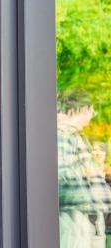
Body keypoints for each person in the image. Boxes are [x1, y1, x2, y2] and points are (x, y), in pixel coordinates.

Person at [57, 88, 111, 248]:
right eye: (91, 111)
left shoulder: (75, 136)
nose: (91, 117)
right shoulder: (63, 136)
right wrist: (88, 174)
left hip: (88, 217)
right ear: (82, 109)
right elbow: (61, 175)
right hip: (76, 218)